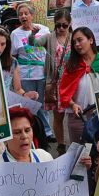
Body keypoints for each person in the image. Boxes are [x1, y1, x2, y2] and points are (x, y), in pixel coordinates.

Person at [59, 27, 99, 144]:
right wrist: (72, 104)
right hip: (79, 118)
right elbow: (64, 92)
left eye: (80, 40)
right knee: (81, 155)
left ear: (91, 40)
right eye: (74, 42)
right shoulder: (72, 65)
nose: (77, 44)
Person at [11, 3, 52, 139]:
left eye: (26, 13)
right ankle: (33, 131)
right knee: (29, 105)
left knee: (42, 104)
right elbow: (13, 55)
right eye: (20, 14)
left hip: (41, 72)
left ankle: (47, 131)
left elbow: (50, 49)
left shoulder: (44, 29)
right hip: (25, 74)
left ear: (32, 15)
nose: (23, 16)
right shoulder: (15, 34)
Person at [36, 10, 72, 155]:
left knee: (75, 115)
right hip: (56, 82)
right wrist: (33, 32)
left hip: (73, 81)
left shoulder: (75, 37)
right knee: (59, 116)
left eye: (64, 25)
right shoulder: (50, 37)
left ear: (70, 24)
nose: (61, 28)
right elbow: (34, 43)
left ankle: (78, 143)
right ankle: (61, 145)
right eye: (58, 25)